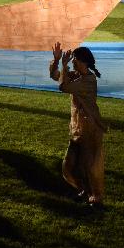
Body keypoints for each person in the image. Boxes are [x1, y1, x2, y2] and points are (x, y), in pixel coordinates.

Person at [50, 42, 106, 209]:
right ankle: (83, 189)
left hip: (90, 128)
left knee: (89, 166)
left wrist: (64, 65)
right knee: (69, 165)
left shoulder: (88, 80)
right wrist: (57, 60)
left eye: (75, 60)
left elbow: (63, 86)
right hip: (78, 127)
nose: (73, 62)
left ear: (84, 62)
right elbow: (56, 76)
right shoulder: (76, 76)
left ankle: (95, 197)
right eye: (73, 59)